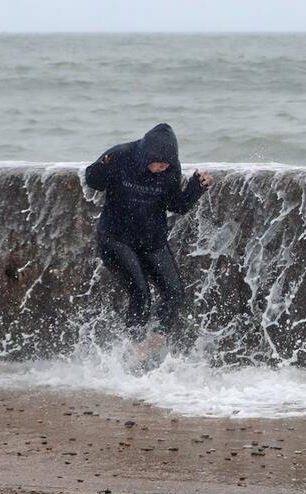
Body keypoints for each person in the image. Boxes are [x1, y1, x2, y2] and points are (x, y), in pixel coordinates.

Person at [84, 123, 214, 347]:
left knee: (175, 294)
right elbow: (94, 182)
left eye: (167, 164)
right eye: (159, 163)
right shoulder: (120, 155)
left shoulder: (171, 169)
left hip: (151, 241)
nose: (163, 168)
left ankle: (152, 344)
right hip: (116, 239)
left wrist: (196, 187)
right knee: (141, 295)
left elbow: (177, 205)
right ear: (146, 155)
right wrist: (102, 166)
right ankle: (132, 348)